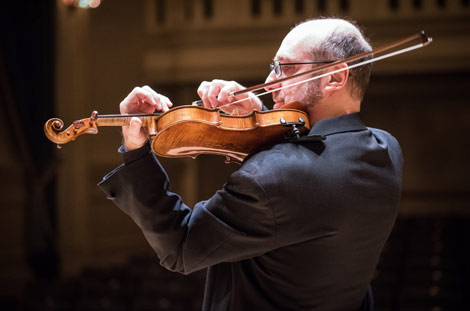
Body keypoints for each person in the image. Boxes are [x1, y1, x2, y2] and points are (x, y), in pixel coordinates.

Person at [99, 17, 403, 311]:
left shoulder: (270, 177)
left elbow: (180, 247)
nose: (270, 83)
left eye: (285, 68)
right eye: (273, 68)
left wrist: (136, 150)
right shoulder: (386, 151)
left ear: (334, 78)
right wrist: (261, 115)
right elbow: (313, 160)